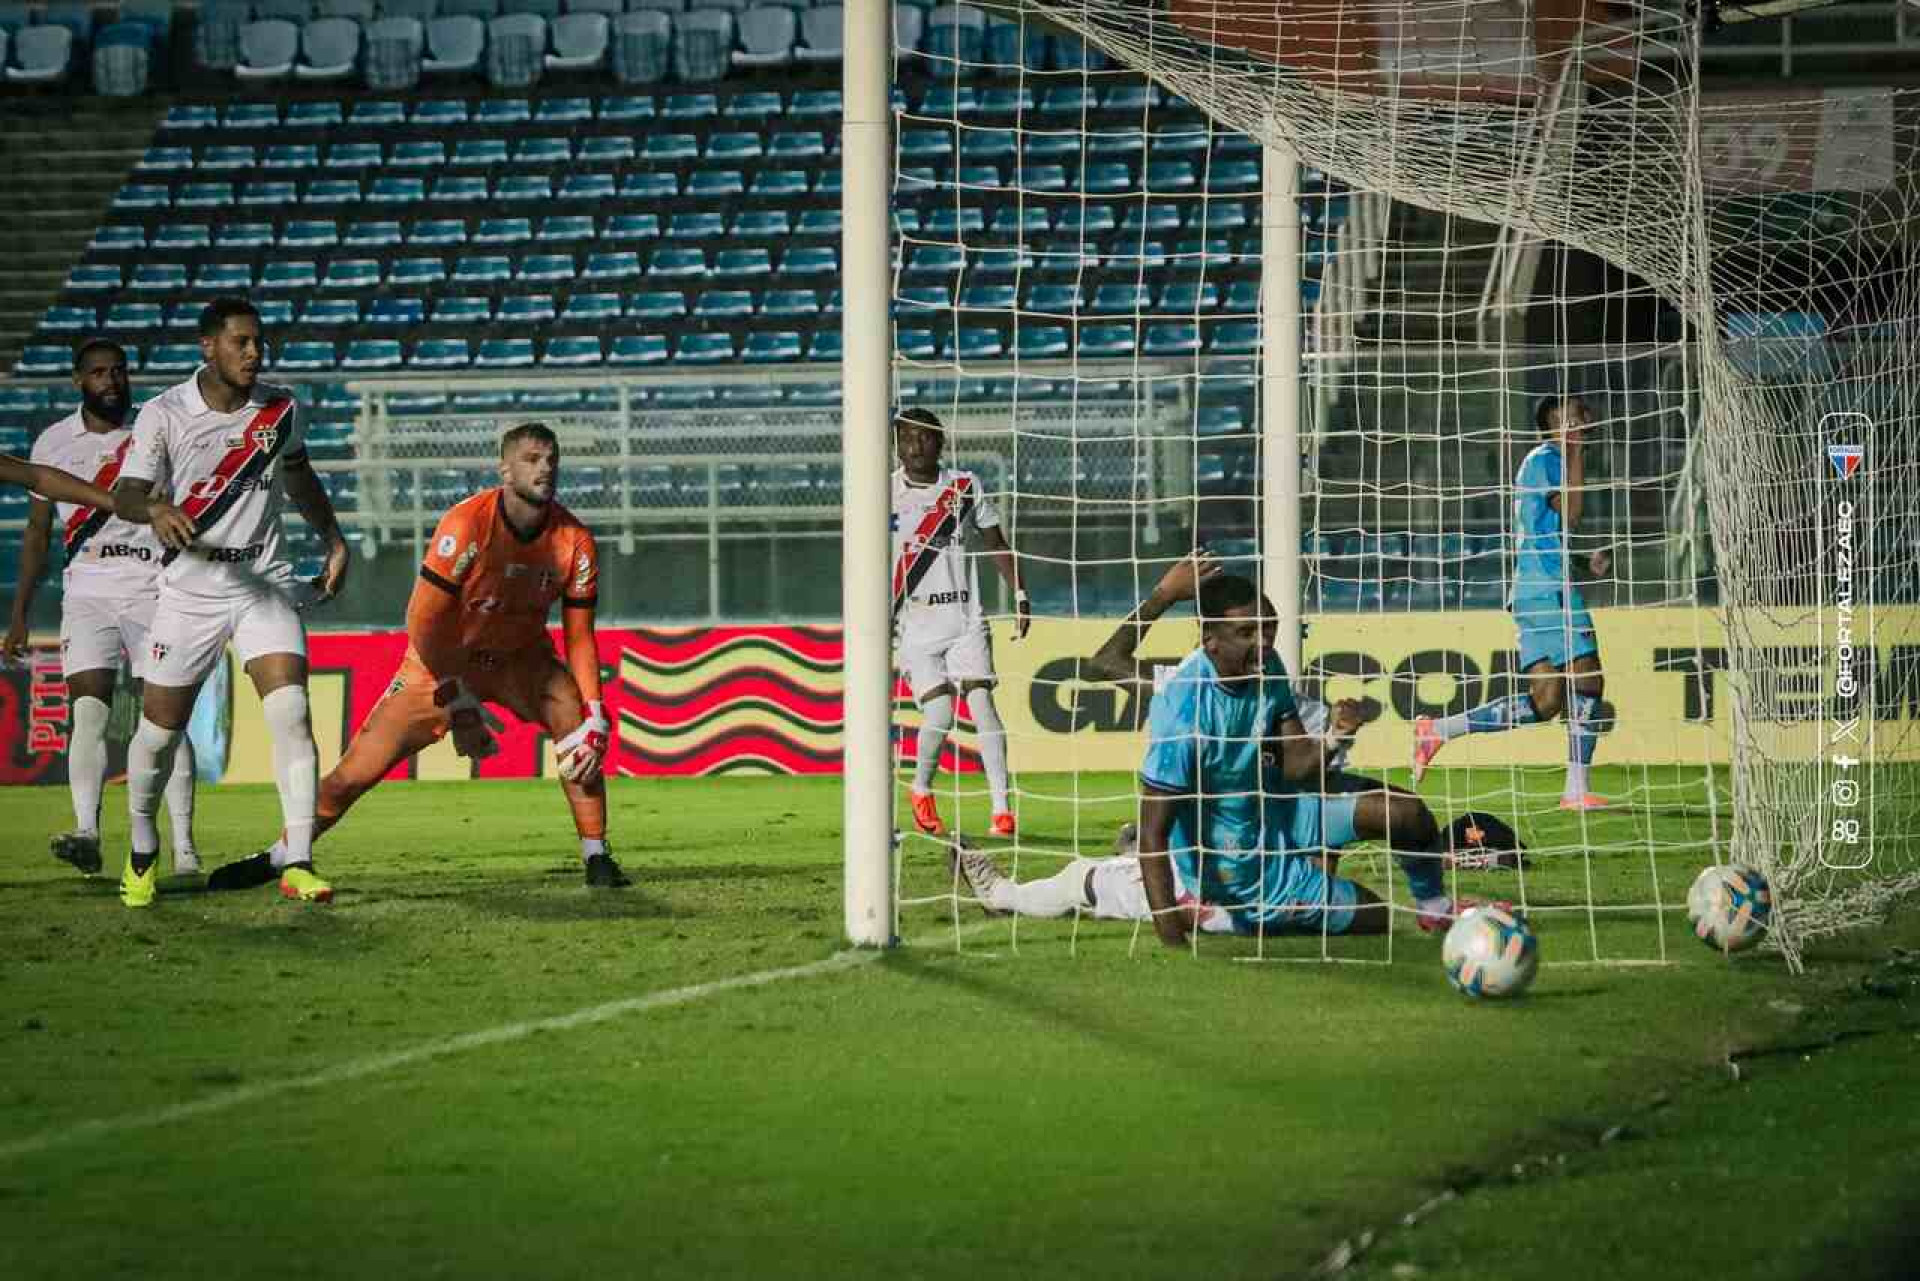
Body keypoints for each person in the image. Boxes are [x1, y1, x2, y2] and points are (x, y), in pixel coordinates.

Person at [204, 422, 631, 892]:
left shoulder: (575, 539)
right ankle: (282, 854)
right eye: (532, 459)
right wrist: (457, 698)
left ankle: (597, 855)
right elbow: (423, 623)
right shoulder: (468, 525)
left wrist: (596, 716)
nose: (545, 468)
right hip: (441, 662)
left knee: (575, 720)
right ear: (504, 470)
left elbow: (580, 637)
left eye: (551, 459)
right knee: (354, 774)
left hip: (520, 660)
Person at [956, 574, 1474, 944]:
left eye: (1266, 629)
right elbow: (1104, 665)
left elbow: (1296, 763)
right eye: (1248, 632)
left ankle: (1434, 910)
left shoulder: (1265, 668)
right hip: (1214, 859)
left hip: (1272, 814)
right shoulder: (1180, 701)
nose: (1264, 642)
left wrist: (1337, 734)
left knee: (1403, 811)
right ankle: (1005, 892)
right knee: (1088, 881)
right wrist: (1163, 594)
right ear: (1209, 640)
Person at [111, 297, 350, 909]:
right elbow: (128, 492)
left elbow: (299, 474)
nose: (253, 352)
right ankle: (141, 848)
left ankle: (298, 860)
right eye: (241, 342)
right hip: (190, 588)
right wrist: (157, 509)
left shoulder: (280, 408)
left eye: (258, 342)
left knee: (292, 711)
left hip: (262, 582)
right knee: (160, 734)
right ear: (208, 347)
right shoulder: (164, 414)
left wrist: (332, 536)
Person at [5, 339, 199, 877]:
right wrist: (20, 612)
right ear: (77, 381)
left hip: (155, 586)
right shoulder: (52, 442)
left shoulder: (155, 431)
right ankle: (87, 831)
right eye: (98, 373)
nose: (111, 381)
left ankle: (184, 848)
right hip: (87, 590)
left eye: (119, 371)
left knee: (167, 719)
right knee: (87, 710)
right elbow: (38, 532)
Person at [1412, 395, 1612, 809]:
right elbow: (1571, 513)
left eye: (1578, 417)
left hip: (1532, 588)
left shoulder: (1540, 461)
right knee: (1588, 677)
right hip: (1547, 591)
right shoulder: (1549, 459)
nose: (1574, 425)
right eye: (1565, 421)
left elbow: (1541, 531)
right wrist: (1574, 450)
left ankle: (1439, 729)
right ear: (1550, 429)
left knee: (1547, 700)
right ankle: (1576, 790)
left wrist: (1579, 559)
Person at [892, 407, 1028, 838]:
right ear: (896, 444)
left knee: (983, 704)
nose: (915, 447)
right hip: (915, 622)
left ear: (940, 442)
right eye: (907, 438)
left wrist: (1021, 592)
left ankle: (1002, 810)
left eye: (924, 438)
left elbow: (996, 542)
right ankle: (920, 788)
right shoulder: (880, 491)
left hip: (966, 617)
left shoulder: (965, 487)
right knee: (940, 712)